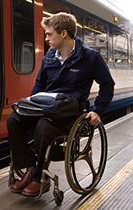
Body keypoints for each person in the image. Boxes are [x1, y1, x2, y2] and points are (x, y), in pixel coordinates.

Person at [7, 12, 115, 197]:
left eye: (49, 34)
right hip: (45, 107)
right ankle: (30, 168)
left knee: (43, 126)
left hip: (70, 112)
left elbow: (107, 85)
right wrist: (30, 106)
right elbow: (39, 85)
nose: (46, 38)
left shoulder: (90, 57)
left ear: (63, 33)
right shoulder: (49, 56)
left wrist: (97, 111)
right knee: (13, 119)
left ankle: (39, 176)